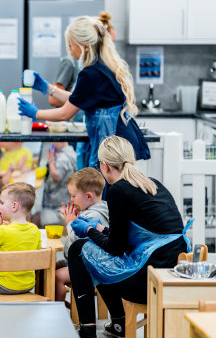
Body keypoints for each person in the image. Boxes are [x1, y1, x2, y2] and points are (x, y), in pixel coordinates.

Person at [67, 136, 190, 338]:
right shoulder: (152, 184)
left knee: (79, 251)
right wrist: (101, 229)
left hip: (147, 281)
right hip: (171, 274)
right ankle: (119, 325)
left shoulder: (118, 190)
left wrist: (89, 230)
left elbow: (115, 248)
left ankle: (88, 335)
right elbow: (132, 236)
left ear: (105, 166)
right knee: (98, 252)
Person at [18, 15, 150, 169]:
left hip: (112, 145)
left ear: (85, 46)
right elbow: (79, 99)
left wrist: (35, 113)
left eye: (71, 45)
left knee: (102, 190)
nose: (70, 50)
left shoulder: (90, 73)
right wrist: (47, 88)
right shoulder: (101, 66)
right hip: (118, 142)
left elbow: (65, 113)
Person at [49, 12, 117, 170]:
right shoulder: (76, 64)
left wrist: (35, 113)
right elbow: (75, 99)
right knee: (83, 175)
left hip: (94, 131)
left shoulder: (98, 70)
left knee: (90, 179)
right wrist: (49, 89)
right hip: (82, 127)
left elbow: (73, 105)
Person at [0, 182, 42, 296]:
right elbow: (37, 249)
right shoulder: (35, 230)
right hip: (28, 284)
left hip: (4, 285)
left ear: (14, 206)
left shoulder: (3, 230)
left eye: (2, 202)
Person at [55, 168, 109, 302]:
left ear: (89, 196)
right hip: (81, 261)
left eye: (73, 196)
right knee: (50, 265)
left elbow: (77, 243)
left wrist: (69, 223)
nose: (71, 199)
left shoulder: (94, 215)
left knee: (57, 277)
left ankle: (57, 311)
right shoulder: (97, 209)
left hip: (91, 266)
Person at [35, 142, 77, 226]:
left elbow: (57, 176)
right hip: (61, 202)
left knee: (35, 219)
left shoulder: (63, 157)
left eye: (54, 141)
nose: (52, 144)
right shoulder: (71, 152)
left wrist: (50, 161)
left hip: (59, 205)